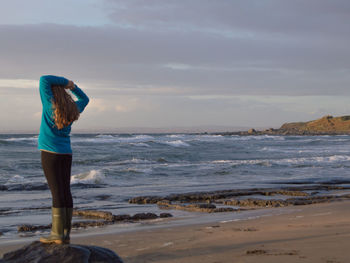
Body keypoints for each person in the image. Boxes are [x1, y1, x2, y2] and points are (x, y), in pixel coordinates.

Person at [38, 75, 89, 244]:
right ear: (64, 94)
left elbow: (44, 79)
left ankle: (57, 234)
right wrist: (72, 86)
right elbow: (85, 98)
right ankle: (65, 233)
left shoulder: (49, 105)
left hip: (49, 154)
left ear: (52, 94)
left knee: (57, 193)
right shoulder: (73, 108)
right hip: (66, 154)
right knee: (65, 191)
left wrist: (66, 83)